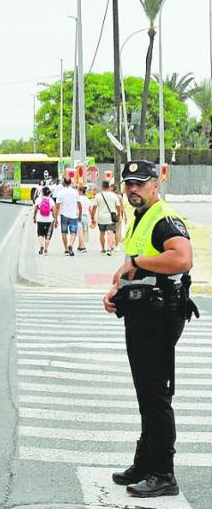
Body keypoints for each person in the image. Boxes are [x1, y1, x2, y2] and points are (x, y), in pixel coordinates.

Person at [102, 159, 198, 498]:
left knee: (156, 395)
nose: (132, 189)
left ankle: (163, 473)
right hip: (144, 314)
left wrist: (138, 263)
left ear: (155, 184)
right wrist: (117, 287)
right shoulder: (141, 217)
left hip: (159, 316)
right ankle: (144, 464)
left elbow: (182, 258)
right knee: (147, 392)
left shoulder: (163, 219)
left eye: (140, 183)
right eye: (128, 184)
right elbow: (137, 264)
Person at [91, 180, 124, 256]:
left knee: (102, 234)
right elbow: (118, 206)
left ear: (102, 187)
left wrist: (92, 217)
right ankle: (109, 248)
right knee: (110, 233)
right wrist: (119, 215)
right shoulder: (113, 195)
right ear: (108, 187)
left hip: (101, 218)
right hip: (111, 218)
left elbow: (94, 207)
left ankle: (103, 249)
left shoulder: (98, 196)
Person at [53, 177, 82, 256]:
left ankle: (66, 249)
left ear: (64, 183)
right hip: (73, 215)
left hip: (64, 215)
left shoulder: (60, 193)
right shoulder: (75, 192)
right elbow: (79, 204)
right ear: (71, 182)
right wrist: (80, 214)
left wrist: (55, 219)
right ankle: (71, 245)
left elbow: (57, 206)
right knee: (73, 232)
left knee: (64, 232)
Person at [33, 186, 55, 255]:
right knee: (48, 235)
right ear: (49, 193)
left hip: (40, 219)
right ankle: (46, 249)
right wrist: (55, 219)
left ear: (42, 192)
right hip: (49, 220)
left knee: (40, 233)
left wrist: (34, 217)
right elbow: (54, 211)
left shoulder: (38, 199)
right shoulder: (51, 200)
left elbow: (35, 209)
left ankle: (41, 244)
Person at [77, 185, 92, 253]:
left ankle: (83, 247)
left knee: (80, 232)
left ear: (80, 191)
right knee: (83, 232)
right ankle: (79, 246)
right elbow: (90, 209)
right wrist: (92, 218)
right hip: (85, 216)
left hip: (79, 216)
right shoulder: (87, 199)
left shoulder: (78, 198)